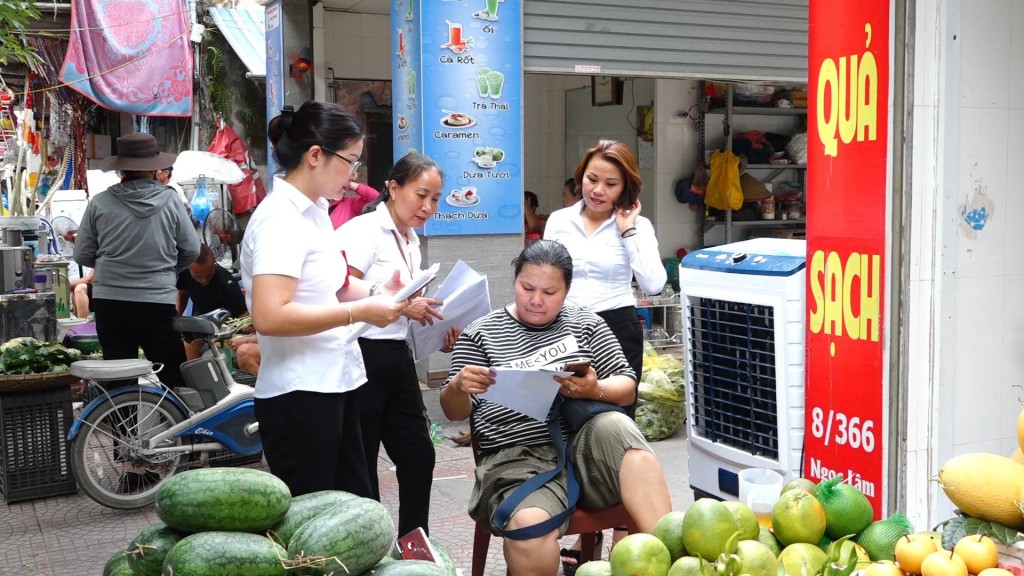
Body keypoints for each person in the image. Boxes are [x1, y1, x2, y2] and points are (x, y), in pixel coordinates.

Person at [439, 240, 672, 576]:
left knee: (618, 430)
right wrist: (459, 386)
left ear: (566, 290)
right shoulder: (481, 334)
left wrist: (596, 388)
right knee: (528, 529)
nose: (536, 300)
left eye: (549, 292)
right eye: (527, 287)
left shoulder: (586, 324)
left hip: (585, 451)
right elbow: (454, 411)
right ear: (514, 280)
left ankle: (669, 559)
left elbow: (626, 387)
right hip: (516, 460)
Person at [240, 101, 408, 499]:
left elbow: (331, 286)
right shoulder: (280, 220)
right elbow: (270, 315)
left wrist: (377, 293)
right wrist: (360, 311)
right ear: (316, 155)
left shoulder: (315, 212)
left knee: (353, 512)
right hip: (299, 394)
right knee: (315, 525)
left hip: (335, 381)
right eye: (350, 161)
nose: (354, 175)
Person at [543, 139, 667, 569]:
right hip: (565, 330)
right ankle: (582, 529)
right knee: (568, 423)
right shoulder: (559, 220)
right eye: (592, 179)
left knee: (616, 430)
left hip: (616, 329)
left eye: (610, 184)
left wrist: (629, 230)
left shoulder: (637, 225)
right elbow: (546, 276)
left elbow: (653, 284)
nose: (597, 190)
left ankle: (623, 539)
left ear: (625, 188)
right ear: (581, 177)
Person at [336, 152, 458, 537]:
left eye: (435, 199)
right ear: (393, 187)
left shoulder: (411, 240)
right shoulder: (363, 231)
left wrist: (438, 329)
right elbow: (339, 287)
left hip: (397, 358)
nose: (428, 206)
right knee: (364, 462)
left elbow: (404, 309)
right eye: (421, 195)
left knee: (418, 455)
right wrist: (399, 303)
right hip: (361, 354)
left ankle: (412, 543)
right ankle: (368, 547)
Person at [73, 132, 201, 493]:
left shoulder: (99, 203)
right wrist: (162, 268)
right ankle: (187, 453)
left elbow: (83, 255)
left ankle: (132, 466)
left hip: (111, 304)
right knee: (173, 375)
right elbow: (191, 251)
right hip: (157, 303)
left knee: (119, 381)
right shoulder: (171, 201)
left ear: (121, 171)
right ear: (154, 168)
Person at [176, 244, 249, 359]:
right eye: (198, 277)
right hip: (200, 322)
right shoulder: (183, 273)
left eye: (208, 275)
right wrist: (176, 319)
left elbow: (245, 319)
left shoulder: (227, 284)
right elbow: (182, 295)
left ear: (214, 262)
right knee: (187, 346)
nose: (204, 281)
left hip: (226, 328)